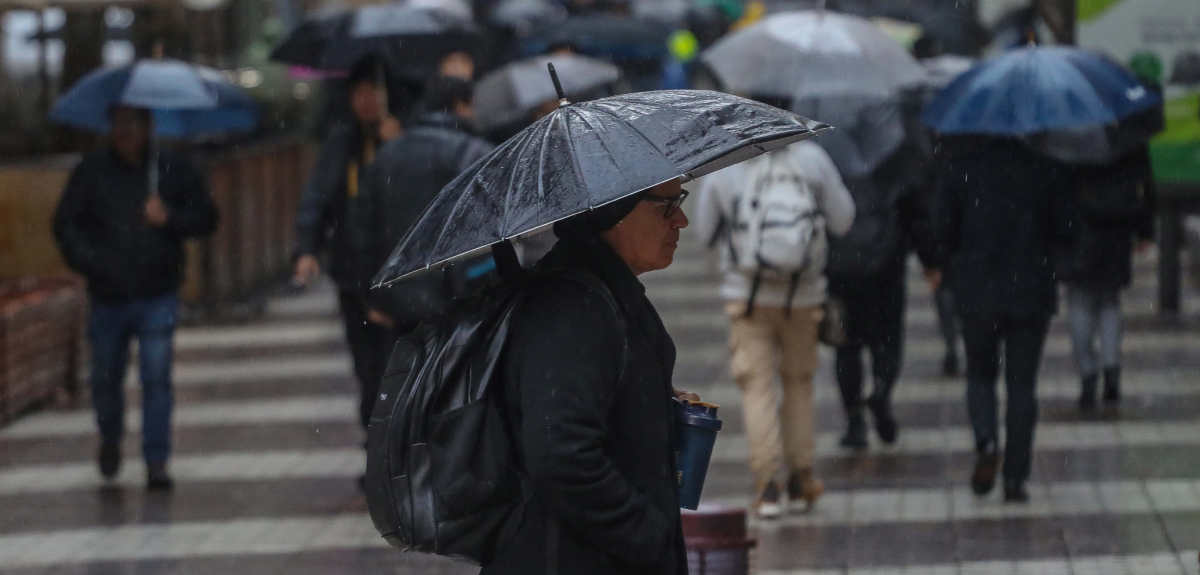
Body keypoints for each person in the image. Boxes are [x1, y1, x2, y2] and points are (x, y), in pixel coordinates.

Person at [483, 179, 693, 574]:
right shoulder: (575, 306)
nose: (681, 219)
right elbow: (560, 454)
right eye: (666, 205)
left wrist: (653, 399)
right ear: (614, 213)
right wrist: (646, 533)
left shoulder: (605, 289)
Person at [53, 105, 218, 490]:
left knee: (156, 377)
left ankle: (156, 460)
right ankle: (110, 436)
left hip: (157, 293)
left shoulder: (170, 168)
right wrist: (92, 262)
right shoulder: (91, 171)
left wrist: (169, 218)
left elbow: (207, 216)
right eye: (118, 123)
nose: (125, 131)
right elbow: (65, 225)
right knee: (105, 378)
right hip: (107, 294)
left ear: (149, 125)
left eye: (133, 123)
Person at [695, 140, 856, 518]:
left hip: (747, 297)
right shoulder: (812, 158)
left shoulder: (728, 162)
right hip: (803, 296)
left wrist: (729, 269)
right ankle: (801, 479)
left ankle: (767, 487)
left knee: (757, 387)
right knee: (799, 384)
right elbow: (844, 220)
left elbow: (704, 232)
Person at [929, 137, 1075, 503]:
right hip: (1031, 291)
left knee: (980, 374)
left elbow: (942, 228)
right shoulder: (1045, 166)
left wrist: (947, 265)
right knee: (1022, 386)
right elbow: (1067, 227)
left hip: (977, 290)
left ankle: (986, 440)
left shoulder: (962, 165)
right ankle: (1015, 477)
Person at [292, 58, 400, 443]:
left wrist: (397, 145)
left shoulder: (402, 137)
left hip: (397, 271)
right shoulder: (342, 142)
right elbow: (317, 197)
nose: (367, 101)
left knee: (395, 363)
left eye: (374, 92)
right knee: (366, 365)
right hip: (354, 273)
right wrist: (307, 249)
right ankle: (375, 440)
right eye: (360, 94)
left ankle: (393, 442)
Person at [358, 75, 493, 376]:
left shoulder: (386, 155)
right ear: (460, 106)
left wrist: (374, 296)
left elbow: (364, 231)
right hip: (458, 297)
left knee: (406, 382)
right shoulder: (472, 152)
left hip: (399, 299)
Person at [825, 143, 939, 450]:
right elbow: (915, 210)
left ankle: (854, 421)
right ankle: (881, 390)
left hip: (841, 265)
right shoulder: (894, 152)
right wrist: (930, 259)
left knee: (846, 346)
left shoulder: (828, 152)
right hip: (885, 263)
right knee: (887, 339)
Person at [1061, 148, 1156, 409]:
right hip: (1117, 227)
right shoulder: (1128, 138)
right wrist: (1144, 230)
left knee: (1080, 301)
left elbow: (1058, 184)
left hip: (1079, 228)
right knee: (1110, 300)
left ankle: (1088, 373)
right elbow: (1144, 182)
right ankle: (1111, 369)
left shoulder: (1072, 137)